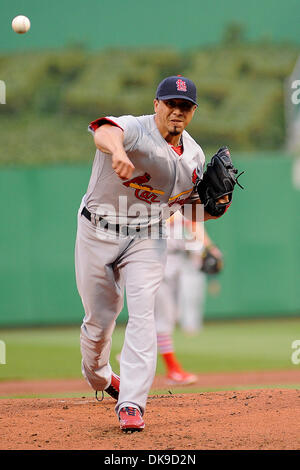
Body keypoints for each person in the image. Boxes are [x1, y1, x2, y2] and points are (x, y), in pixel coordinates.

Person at [75, 75, 227, 433]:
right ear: (156, 104)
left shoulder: (194, 156)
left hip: (148, 235)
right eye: (171, 103)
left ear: (192, 112)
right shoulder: (134, 129)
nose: (177, 111)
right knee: (99, 321)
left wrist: (216, 208)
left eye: (185, 106)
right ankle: (101, 378)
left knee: (144, 313)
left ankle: (131, 402)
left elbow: (184, 209)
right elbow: (103, 131)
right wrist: (118, 152)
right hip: (98, 229)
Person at [155, 213, 223, 384]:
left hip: (179, 261)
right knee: (164, 319)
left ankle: (131, 353)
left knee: (172, 316)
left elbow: (195, 225)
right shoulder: (160, 201)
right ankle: (173, 370)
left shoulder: (186, 202)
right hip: (158, 259)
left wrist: (210, 247)